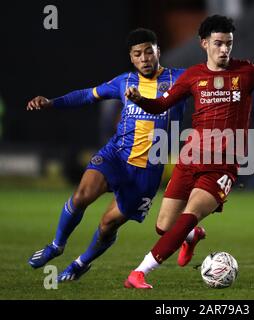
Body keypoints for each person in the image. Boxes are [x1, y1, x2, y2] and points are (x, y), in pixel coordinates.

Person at [123, 15, 254, 289]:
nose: (224, 50)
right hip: (190, 158)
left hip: (223, 165)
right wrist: (141, 100)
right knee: (164, 226)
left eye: (228, 44)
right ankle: (192, 236)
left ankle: (139, 273)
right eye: (218, 43)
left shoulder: (248, 72)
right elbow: (162, 105)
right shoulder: (193, 76)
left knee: (188, 216)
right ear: (204, 43)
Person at [26, 28, 202, 282]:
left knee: (108, 224)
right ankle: (56, 245)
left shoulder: (180, 78)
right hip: (116, 155)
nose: (144, 58)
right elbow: (88, 95)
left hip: (147, 171)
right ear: (131, 58)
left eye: (148, 52)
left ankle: (81, 263)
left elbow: (208, 82)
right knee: (81, 195)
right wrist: (51, 102)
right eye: (137, 54)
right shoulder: (124, 82)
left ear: (158, 52)